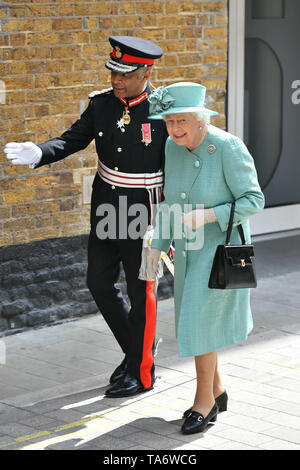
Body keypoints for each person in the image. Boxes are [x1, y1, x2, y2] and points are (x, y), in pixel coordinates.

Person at [4, 36, 168, 398]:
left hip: (147, 211)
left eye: (124, 74)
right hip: (108, 206)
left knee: (142, 293)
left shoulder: (165, 108)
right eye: (113, 72)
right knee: (98, 283)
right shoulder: (101, 106)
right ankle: (136, 351)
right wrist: (39, 152)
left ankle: (142, 374)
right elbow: (72, 139)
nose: (116, 80)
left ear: (145, 72)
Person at [146, 82, 265, 434]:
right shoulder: (172, 145)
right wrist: (157, 244)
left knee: (199, 321)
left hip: (219, 251)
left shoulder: (228, 147)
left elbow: (254, 200)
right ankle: (218, 389)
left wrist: (209, 215)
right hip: (187, 250)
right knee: (200, 321)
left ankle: (204, 403)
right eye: (169, 121)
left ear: (201, 119)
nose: (174, 129)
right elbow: (169, 202)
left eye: (181, 121)